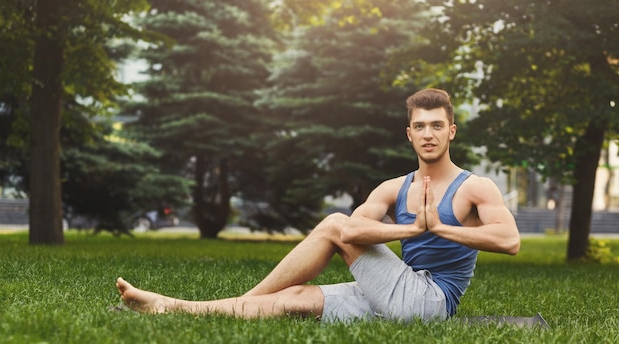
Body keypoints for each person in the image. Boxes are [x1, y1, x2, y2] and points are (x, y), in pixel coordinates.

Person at [116, 88, 520, 323]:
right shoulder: (394, 188)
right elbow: (354, 231)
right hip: (394, 290)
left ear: (451, 130)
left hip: (431, 302)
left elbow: (509, 240)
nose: (428, 134)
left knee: (330, 223)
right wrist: (411, 229)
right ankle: (173, 308)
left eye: (436, 125)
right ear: (408, 134)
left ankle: (242, 298)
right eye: (419, 126)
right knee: (295, 298)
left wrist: (439, 227)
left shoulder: (475, 187)